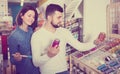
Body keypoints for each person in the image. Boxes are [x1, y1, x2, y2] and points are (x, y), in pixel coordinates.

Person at [31, 4, 94, 74]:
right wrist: (49, 55)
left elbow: (80, 46)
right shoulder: (37, 36)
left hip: (64, 71)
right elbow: (35, 62)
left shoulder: (64, 32)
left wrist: (95, 43)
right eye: (58, 17)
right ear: (49, 18)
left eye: (61, 17)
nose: (61, 20)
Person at [8, 5, 40, 74]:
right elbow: (12, 60)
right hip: (24, 71)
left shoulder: (31, 31)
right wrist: (17, 59)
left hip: (37, 69)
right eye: (29, 16)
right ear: (22, 15)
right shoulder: (13, 36)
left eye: (33, 17)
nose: (31, 19)